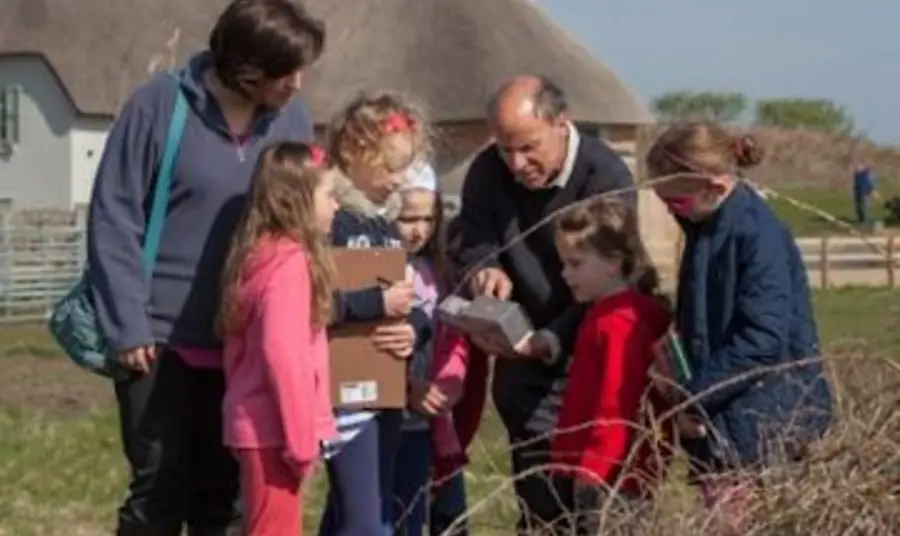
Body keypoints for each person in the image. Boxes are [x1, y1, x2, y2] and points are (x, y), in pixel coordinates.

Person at [85, 1, 325, 534]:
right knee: (158, 493)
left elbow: (302, 216)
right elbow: (113, 214)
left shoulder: (293, 118)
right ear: (246, 68)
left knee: (225, 500)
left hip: (244, 338)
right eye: (286, 72)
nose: (298, 83)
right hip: (158, 339)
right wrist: (128, 323)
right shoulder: (158, 107)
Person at [450, 75, 636, 534]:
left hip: (592, 360)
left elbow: (610, 282)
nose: (516, 163)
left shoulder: (606, 178)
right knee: (538, 508)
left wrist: (553, 337)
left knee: (595, 512)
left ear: (561, 123)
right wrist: (482, 270)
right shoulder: (486, 171)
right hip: (523, 366)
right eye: (505, 148)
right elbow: (471, 237)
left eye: (528, 147)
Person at [646, 122, 833, 534]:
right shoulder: (707, 226)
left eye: (675, 202)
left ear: (715, 186)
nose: (669, 211)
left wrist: (693, 399)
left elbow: (762, 339)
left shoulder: (754, 233)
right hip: (727, 419)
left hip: (764, 425)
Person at [319, 91, 432, 536]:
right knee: (367, 524)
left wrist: (414, 332)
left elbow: (411, 299)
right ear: (353, 152)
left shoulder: (384, 225)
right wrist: (376, 304)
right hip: (343, 398)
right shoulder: (333, 222)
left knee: (360, 512)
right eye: (391, 167)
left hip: (383, 391)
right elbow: (314, 300)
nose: (400, 180)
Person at [218, 142, 337, 536]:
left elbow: (235, 351)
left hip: (256, 427)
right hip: (277, 434)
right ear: (297, 200)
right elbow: (283, 356)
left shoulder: (255, 258)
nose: (336, 206)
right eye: (329, 196)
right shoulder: (289, 265)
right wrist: (301, 442)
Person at [549, 198, 674, 535]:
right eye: (563, 264)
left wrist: (593, 468)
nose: (565, 274)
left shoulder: (618, 324)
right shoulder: (605, 313)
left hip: (612, 474)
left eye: (575, 263)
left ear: (613, 262)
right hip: (617, 469)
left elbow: (617, 402)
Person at [389, 160, 453, 535]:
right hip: (388, 406)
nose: (419, 230)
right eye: (409, 218)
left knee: (412, 509)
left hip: (423, 414)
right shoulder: (384, 267)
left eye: (428, 220)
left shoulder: (434, 270)